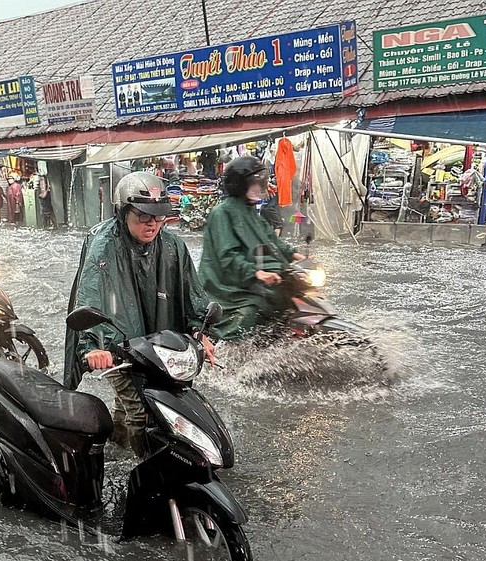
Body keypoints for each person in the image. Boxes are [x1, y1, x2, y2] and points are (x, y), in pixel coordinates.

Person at [63, 172, 215, 457]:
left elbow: (191, 293)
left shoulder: (173, 246)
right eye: (143, 216)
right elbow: (91, 293)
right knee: (141, 412)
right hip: (117, 343)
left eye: (158, 217)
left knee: (138, 405)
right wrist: (93, 346)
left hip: (158, 345)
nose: (152, 224)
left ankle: (115, 448)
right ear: (123, 212)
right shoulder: (104, 246)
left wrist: (200, 331)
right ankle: (140, 466)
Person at [198, 156, 305, 341]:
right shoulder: (221, 213)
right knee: (253, 308)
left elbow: (271, 239)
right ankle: (228, 345)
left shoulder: (251, 212)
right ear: (240, 185)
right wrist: (256, 273)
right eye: (255, 184)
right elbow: (228, 256)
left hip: (251, 276)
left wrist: (295, 254)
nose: (260, 188)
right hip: (226, 285)